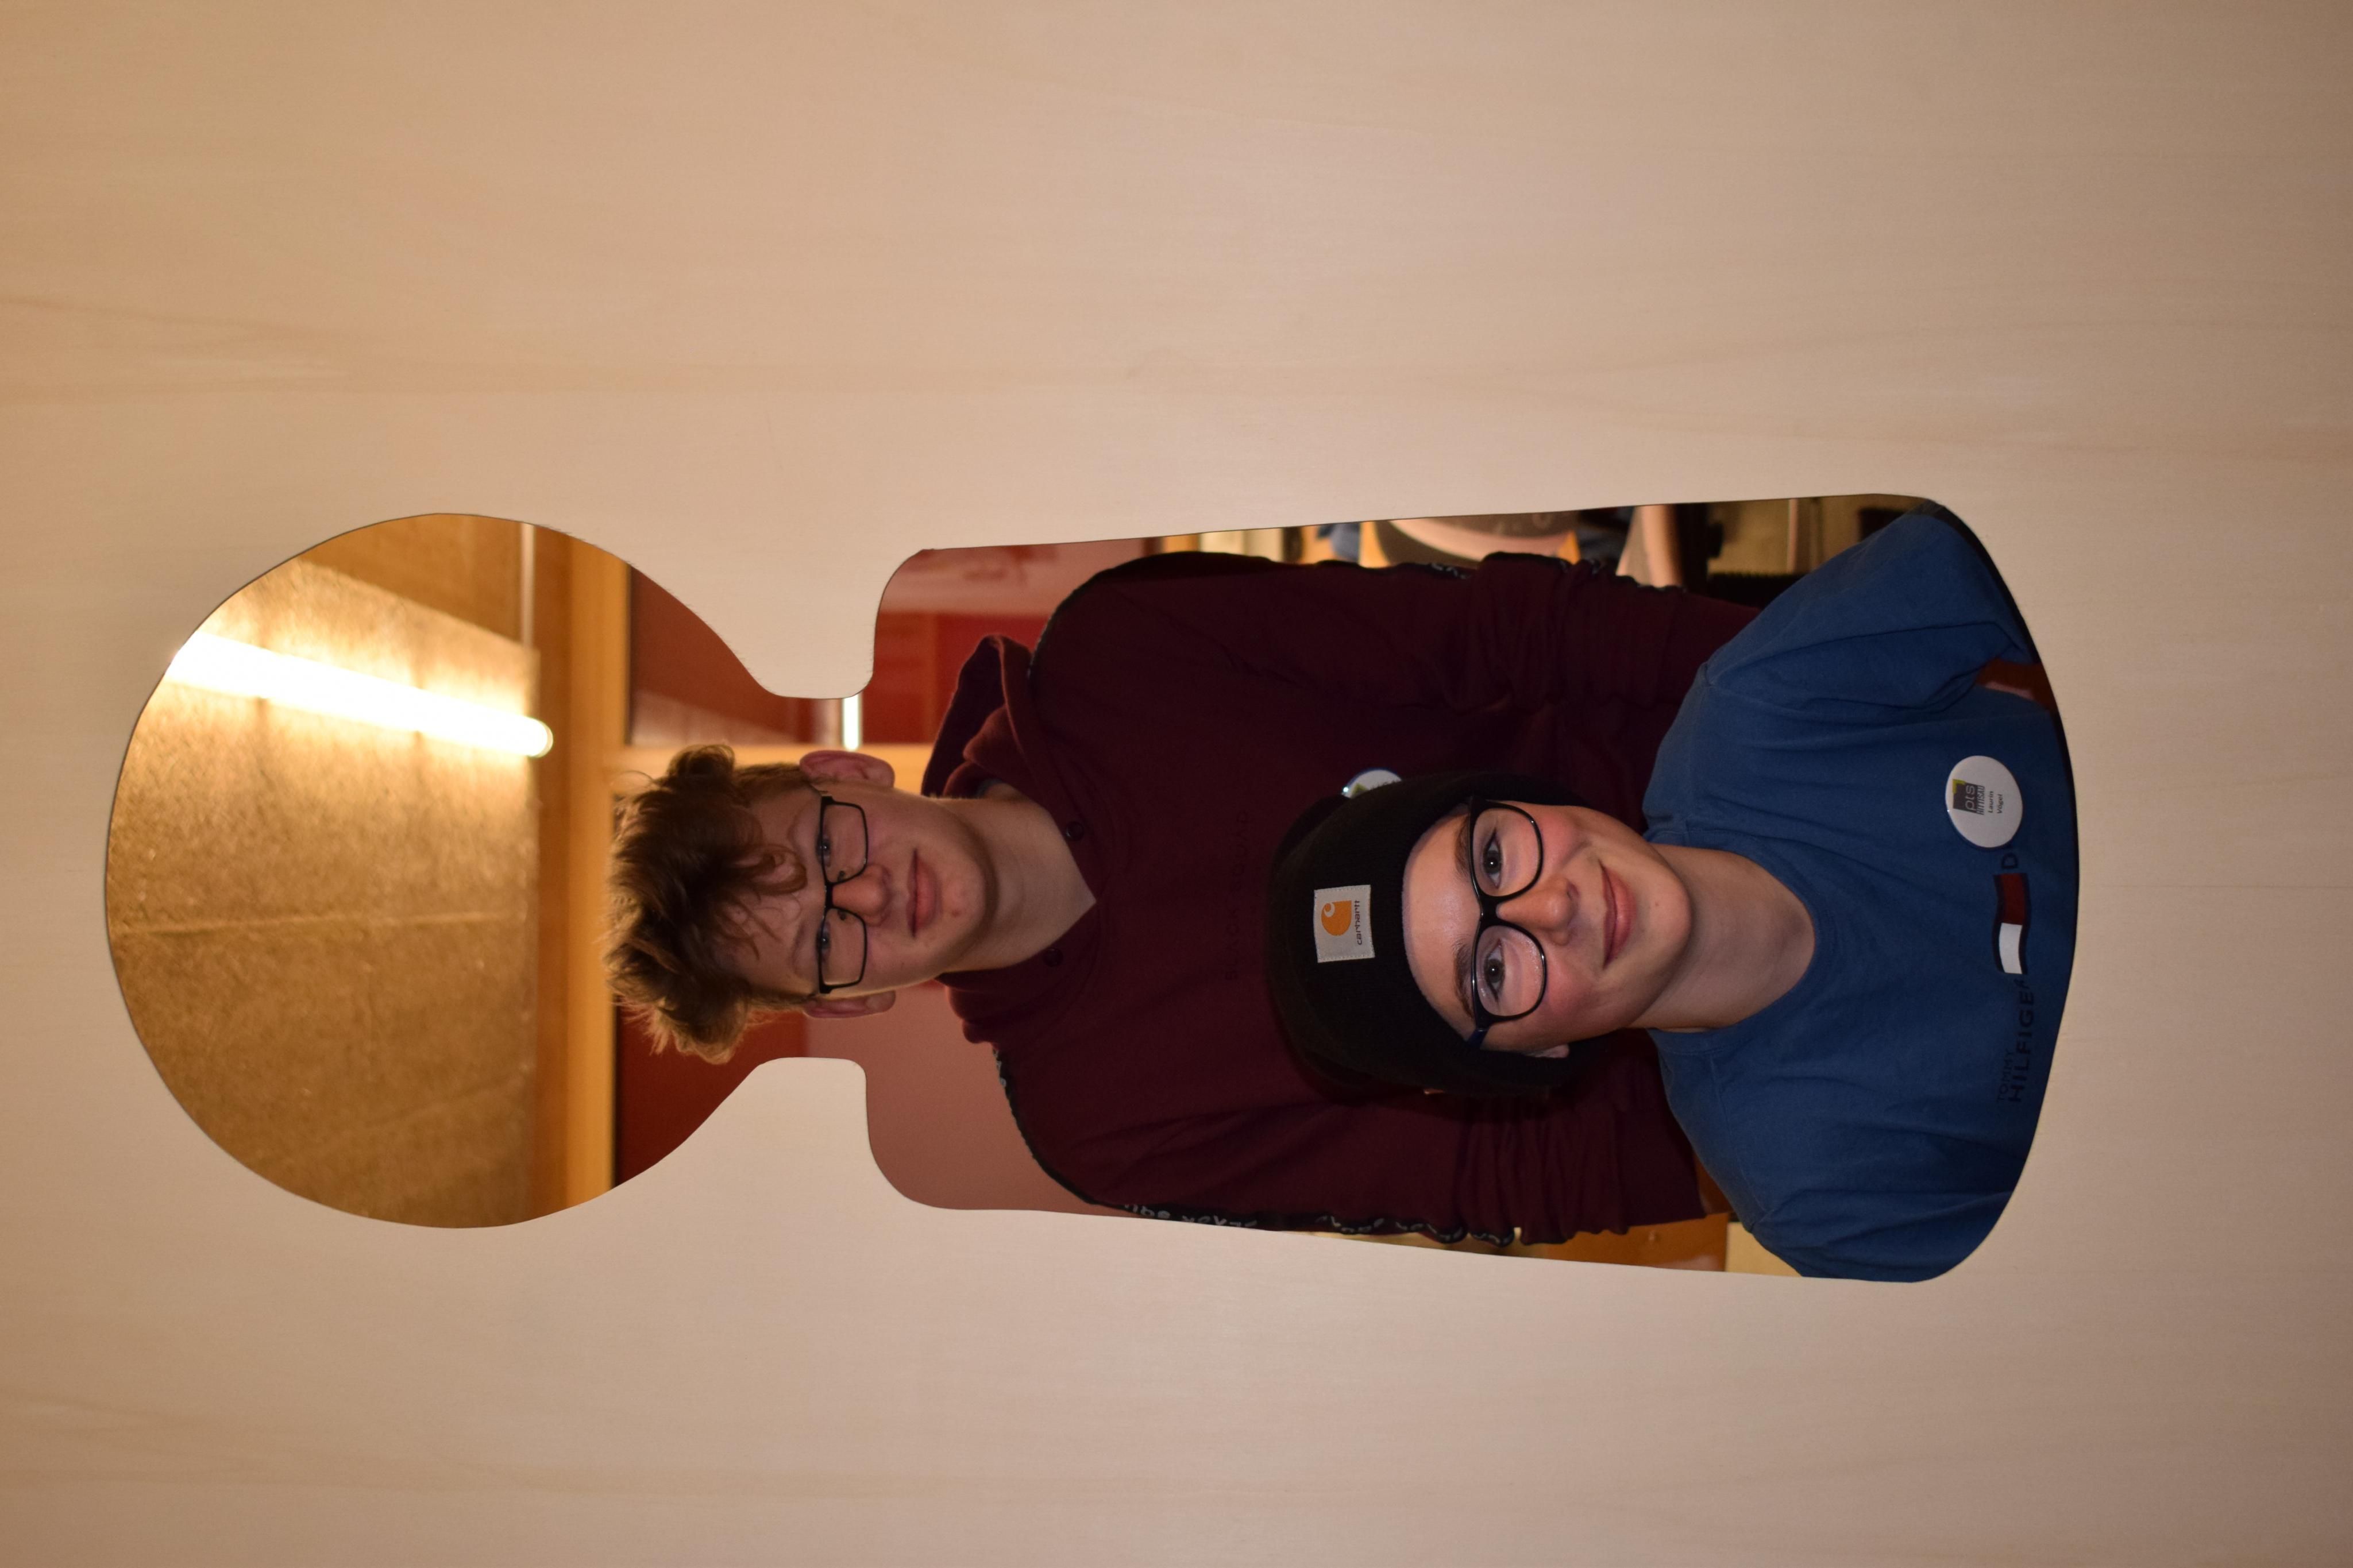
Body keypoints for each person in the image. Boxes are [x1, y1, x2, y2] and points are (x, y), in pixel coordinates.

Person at [608, 547, 1756, 1243]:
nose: (868, 894)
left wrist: (1792, 677)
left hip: (1753, 747)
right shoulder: (1100, 1130)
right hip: (1748, 1046)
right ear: (850, 1004)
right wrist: (1774, 1140)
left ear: (846, 770)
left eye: (827, 845)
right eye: (826, 943)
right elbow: (1493, 1174)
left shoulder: (1121, 648)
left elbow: (1515, 635)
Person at [1264, 507, 2076, 1279]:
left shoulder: (1762, 706)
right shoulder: (1818, 1188)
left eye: (1494, 856)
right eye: (1494, 972)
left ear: (1524, 797)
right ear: (1538, 1055)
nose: (1553, 907)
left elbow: (2039, 537)